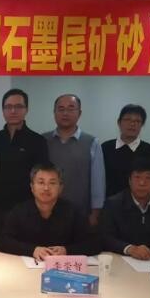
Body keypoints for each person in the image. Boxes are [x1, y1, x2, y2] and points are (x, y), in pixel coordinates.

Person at [0, 163, 96, 260]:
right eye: (41, 183)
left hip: (62, 267)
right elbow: (3, 241)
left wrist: (67, 250)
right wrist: (32, 250)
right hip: (26, 266)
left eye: (52, 183)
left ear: (60, 188)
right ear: (32, 187)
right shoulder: (19, 212)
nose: (46, 188)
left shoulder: (73, 212)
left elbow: (94, 243)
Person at [0, 89, 49, 235]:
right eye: (8, 107)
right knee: (1, 244)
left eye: (18, 106)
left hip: (27, 207)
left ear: (26, 109)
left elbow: (41, 176)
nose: (13, 111)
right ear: (3, 110)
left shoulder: (37, 140)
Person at [43, 94, 105, 226]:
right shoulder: (42, 141)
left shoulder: (92, 142)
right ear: (54, 113)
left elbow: (98, 182)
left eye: (71, 109)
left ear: (79, 113)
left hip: (81, 213)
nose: (65, 113)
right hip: (47, 212)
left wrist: (95, 214)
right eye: (61, 109)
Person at [101, 104, 150, 198]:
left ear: (142, 125)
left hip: (140, 202)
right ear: (119, 123)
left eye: (137, 121)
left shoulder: (149, 150)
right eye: (127, 120)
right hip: (110, 202)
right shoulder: (105, 147)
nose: (132, 124)